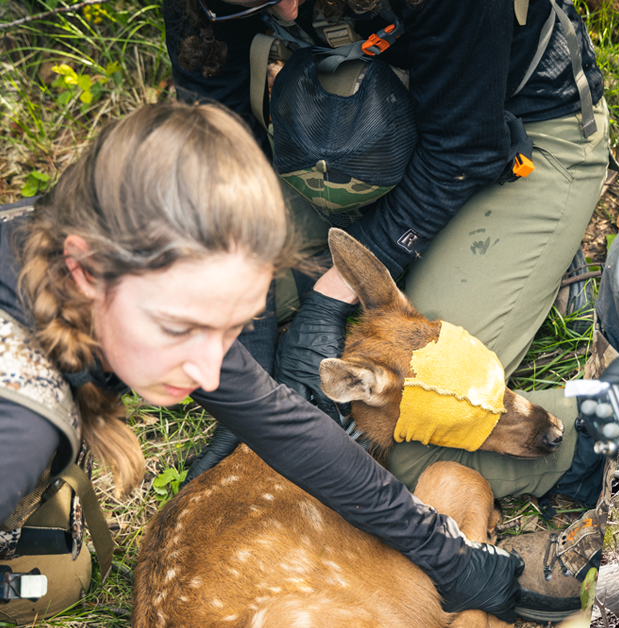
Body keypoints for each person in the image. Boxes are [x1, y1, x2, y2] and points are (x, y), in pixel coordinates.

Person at [163, 0, 615, 617]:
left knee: (401, 423)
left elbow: (463, 148)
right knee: (229, 302)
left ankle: (607, 419)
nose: (287, 11)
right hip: (345, 136)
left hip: (504, 132)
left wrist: (328, 304)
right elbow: (212, 122)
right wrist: (252, 346)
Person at [0, 103, 524, 625]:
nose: (210, 375)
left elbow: (287, 430)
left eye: (231, 329)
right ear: (85, 268)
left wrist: (446, 554)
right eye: (181, 328)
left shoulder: (51, 235)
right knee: (45, 583)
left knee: (56, 573)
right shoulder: (21, 425)